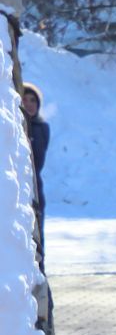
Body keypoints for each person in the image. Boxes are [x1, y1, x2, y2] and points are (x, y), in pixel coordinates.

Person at [20, 83, 48, 258]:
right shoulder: (12, 128)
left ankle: (41, 280)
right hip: (18, 190)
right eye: (25, 99)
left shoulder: (42, 128)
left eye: (33, 100)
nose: (29, 104)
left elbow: (37, 160)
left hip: (36, 190)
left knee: (38, 242)